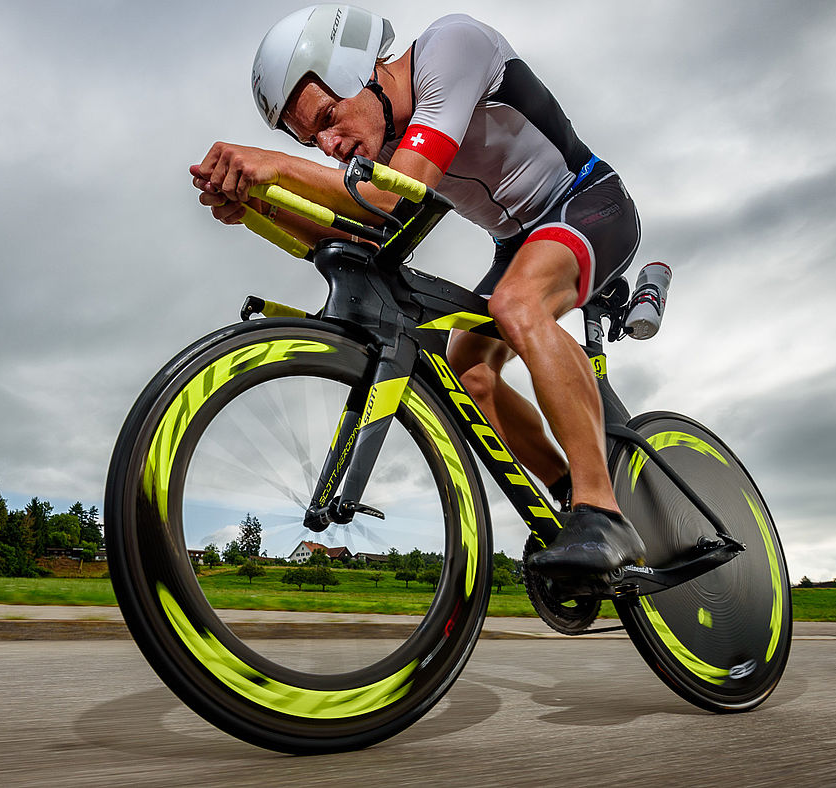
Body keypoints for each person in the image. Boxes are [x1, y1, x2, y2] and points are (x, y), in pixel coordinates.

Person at [190, 5, 644, 579]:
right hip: (516, 239)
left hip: (586, 201)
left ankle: (601, 511)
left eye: (329, 116)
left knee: (516, 305)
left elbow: (390, 197)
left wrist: (274, 167)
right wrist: (258, 205)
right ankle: (567, 502)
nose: (328, 145)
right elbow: (365, 235)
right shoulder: (377, 144)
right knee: (470, 373)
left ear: (366, 71)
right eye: (311, 140)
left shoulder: (450, 48)